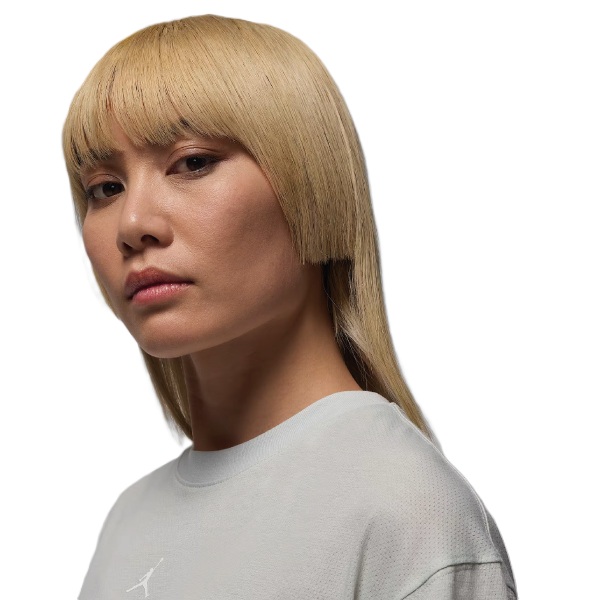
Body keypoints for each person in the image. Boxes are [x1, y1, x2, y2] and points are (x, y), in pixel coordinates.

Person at [63, 14, 517, 600]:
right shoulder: (128, 523)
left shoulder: (402, 507)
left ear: (312, 182)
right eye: (105, 188)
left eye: (193, 162)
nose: (131, 224)